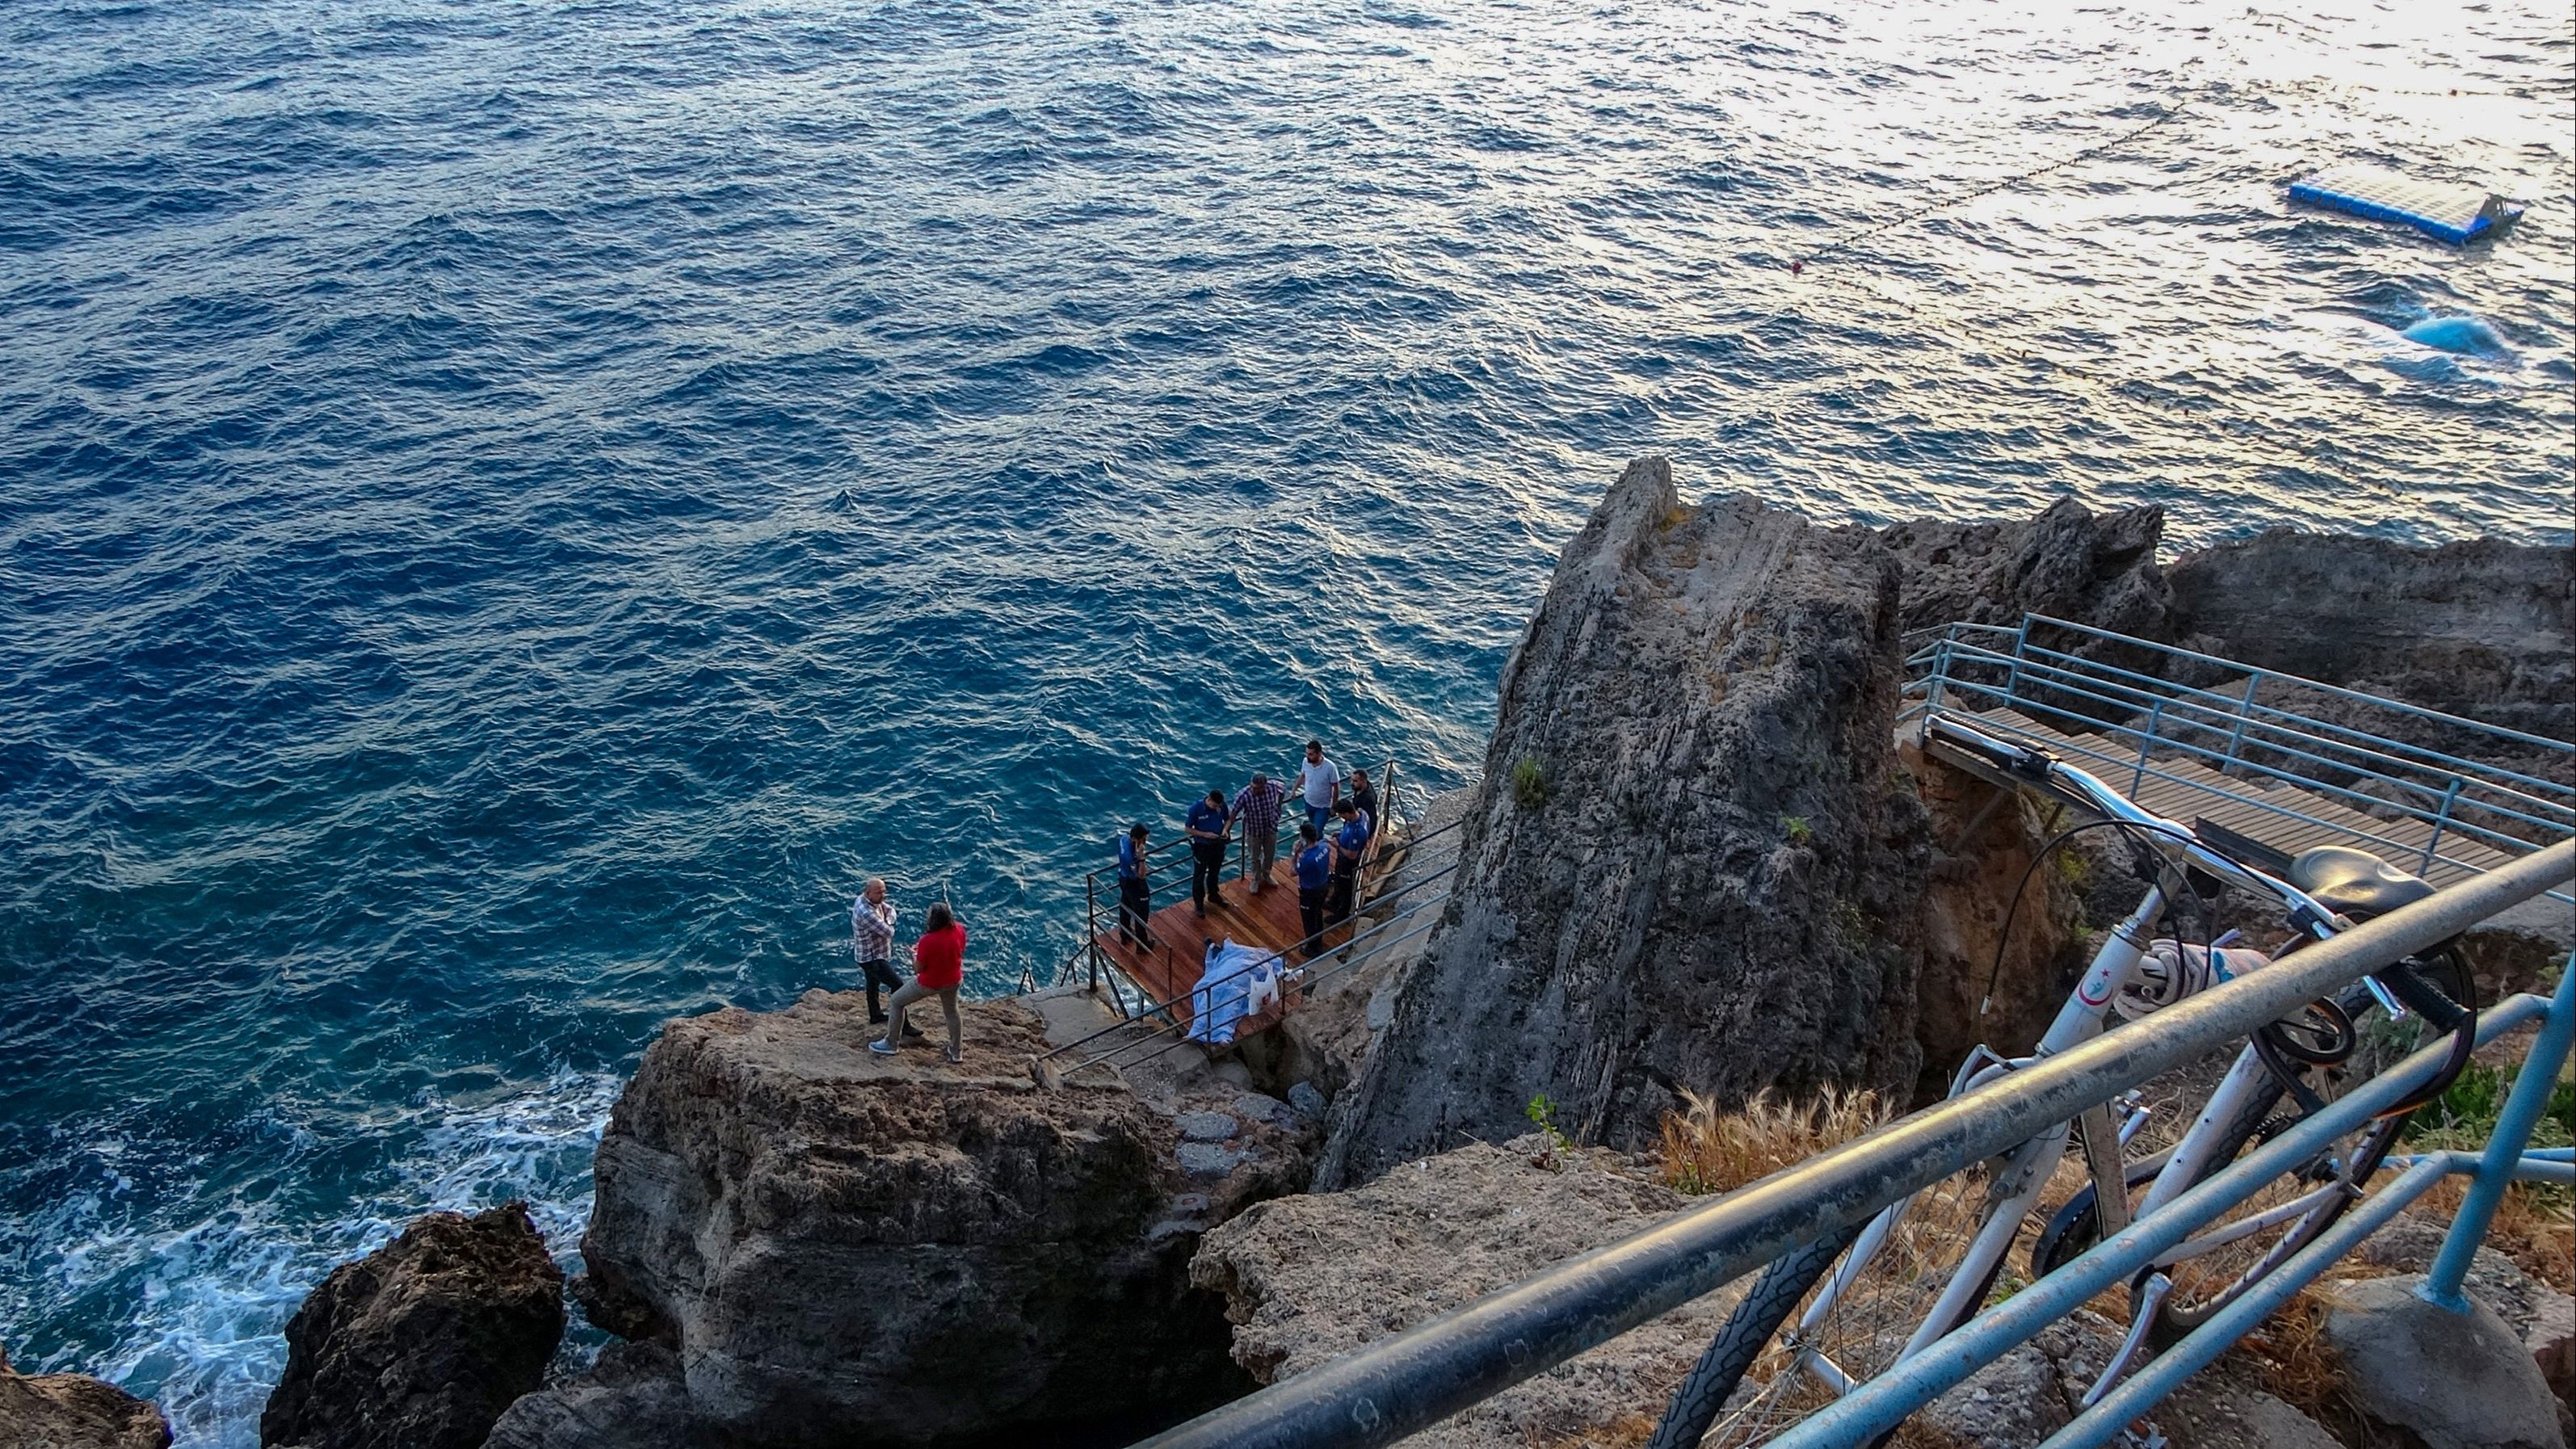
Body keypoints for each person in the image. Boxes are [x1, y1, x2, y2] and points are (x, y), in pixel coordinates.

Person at [872, 901, 965, 1063]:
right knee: (952, 1012)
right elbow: (958, 951)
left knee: (896, 1001)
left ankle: (891, 1043)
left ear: (933, 920)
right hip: (954, 979)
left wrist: (914, 955)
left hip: (930, 983)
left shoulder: (927, 940)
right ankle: (956, 1052)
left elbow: (918, 969)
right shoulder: (959, 930)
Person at [849, 877, 902, 1024]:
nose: (883, 896)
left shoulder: (867, 900)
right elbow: (889, 932)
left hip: (869, 953)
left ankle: (875, 1015)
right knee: (898, 986)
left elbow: (890, 910)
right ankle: (903, 1024)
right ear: (868, 893)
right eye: (879, 893)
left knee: (873, 984)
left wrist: (887, 920)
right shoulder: (866, 912)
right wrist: (888, 923)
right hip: (872, 957)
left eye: (884, 892)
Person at [1231, 771, 1288, 893]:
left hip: (1270, 827)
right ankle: (1256, 879)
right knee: (1254, 857)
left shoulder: (1273, 786)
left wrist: (1279, 806)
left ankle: (1267, 874)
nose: (1254, 790)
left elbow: (1282, 788)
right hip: (1254, 831)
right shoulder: (1244, 795)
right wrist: (1227, 829)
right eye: (1252, 786)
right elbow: (1234, 812)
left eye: (1257, 788)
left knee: (1270, 854)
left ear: (1264, 786)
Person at [1326, 797, 1372, 929]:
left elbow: (1352, 855)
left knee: (1345, 889)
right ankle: (1334, 902)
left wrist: (1337, 846)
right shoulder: (1361, 814)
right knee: (1338, 882)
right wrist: (1340, 834)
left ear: (1347, 813)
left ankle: (1342, 915)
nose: (1341, 818)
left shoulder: (1358, 831)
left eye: (1341, 815)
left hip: (1348, 863)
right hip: (1342, 858)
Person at [1186, 789, 1231, 917]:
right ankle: (1199, 904)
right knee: (1199, 875)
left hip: (1218, 844)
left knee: (1215, 871)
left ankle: (1213, 894)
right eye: (1215, 806)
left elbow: (1228, 819)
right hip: (1202, 847)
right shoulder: (1196, 809)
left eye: (1219, 806)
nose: (1217, 808)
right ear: (1209, 800)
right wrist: (1205, 835)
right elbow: (1188, 829)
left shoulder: (1221, 806)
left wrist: (1225, 830)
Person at [1291, 821, 1332, 960]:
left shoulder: (1307, 859)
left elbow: (1292, 872)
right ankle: (1318, 940)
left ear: (1304, 839)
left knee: (1309, 921)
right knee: (1318, 914)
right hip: (1323, 886)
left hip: (1310, 893)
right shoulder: (1324, 847)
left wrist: (1295, 854)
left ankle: (1313, 948)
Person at [1294, 739, 1343, 838]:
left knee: (1316, 831)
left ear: (1319, 754)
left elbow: (1336, 787)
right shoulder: (1305, 762)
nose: (1308, 756)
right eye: (1307, 753)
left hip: (1323, 807)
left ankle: (1318, 845)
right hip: (1308, 803)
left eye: (1311, 754)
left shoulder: (1330, 767)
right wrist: (1294, 790)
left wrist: (1334, 807)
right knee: (1313, 828)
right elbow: (1303, 776)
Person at [1116, 823, 1150, 949]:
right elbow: (1142, 875)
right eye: (1143, 839)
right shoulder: (1131, 857)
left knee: (1125, 906)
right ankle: (1142, 945)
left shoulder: (1124, 839)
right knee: (1141, 913)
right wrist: (1141, 858)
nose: (1145, 842)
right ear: (1135, 839)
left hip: (1123, 878)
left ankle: (1124, 934)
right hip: (1134, 884)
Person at [1348, 767, 1380, 849]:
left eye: (1355, 781)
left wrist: (1368, 837)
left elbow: (1371, 818)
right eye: (1351, 780)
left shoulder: (1367, 799)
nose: (1352, 783)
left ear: (1363, 781)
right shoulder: (1363, 787)